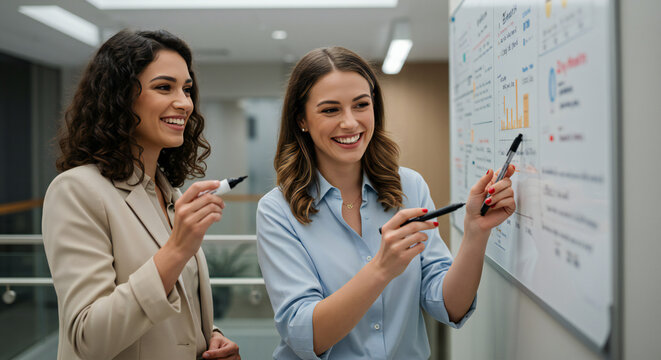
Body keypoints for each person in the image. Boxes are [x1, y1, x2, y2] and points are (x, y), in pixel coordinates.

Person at [256, 47, 516, 359]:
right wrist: (380, 269)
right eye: (330, 110)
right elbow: (306, 335)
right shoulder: (277, 211)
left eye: (361, 105)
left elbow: (450, 306)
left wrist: (476, 232)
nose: (351, 123)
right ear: (301, 120)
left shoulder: (410, 187)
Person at [42, 29, 241, 360]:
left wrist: (211, 338)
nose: (185, 103)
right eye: (164, 87)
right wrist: (177, 250)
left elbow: (176, 307)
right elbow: (89, 338)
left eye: (187, 89)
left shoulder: (169, 192)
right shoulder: (75, 191)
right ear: (119, 98)